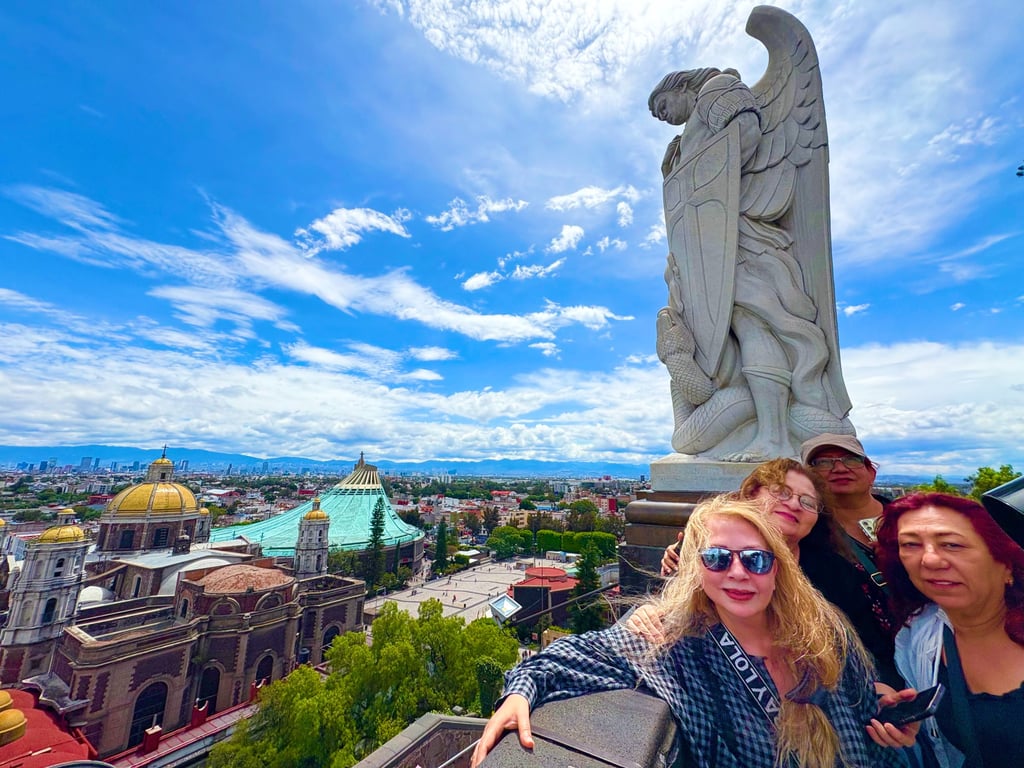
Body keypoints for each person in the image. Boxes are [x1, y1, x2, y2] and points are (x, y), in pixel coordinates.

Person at [471, 496, 914, 768]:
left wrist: (889, 726)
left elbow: (864, 724)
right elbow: (567, 657)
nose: (737, 572)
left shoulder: (827, 636)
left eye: (756, 559)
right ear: (696, 569)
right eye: (717, 558)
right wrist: (518, 695)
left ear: (779, 568)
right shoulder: (675, 648)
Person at [651, 9, 854, 463]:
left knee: (754, 321)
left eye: (664, 108)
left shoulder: (717, 91)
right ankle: (765, 426)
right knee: (742, 327)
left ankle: (774, 436)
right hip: (719, 245)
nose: (666, 119)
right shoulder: (690, 131)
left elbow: (743, 135)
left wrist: (699, 164)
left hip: (741, 240)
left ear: (680, 87)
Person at [648, 457, 903, 687]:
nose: (794, 504)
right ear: (750, 496)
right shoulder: (704, 552)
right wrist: (647, 613)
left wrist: (878, 689)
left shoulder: (836, 574)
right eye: (781, 492)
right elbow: (671, 608)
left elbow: (868, 648)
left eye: (808, 502)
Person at [876, 492, 1024, 768]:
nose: (929, 560)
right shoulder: (917, 636)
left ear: (1006, 563)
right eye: (910, 544)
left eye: (952, 544)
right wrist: (912, 729)